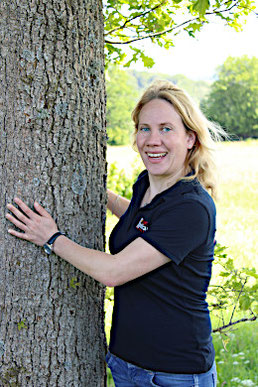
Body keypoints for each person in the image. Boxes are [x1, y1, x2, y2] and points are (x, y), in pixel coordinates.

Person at [6, 80, 224, 386]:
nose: (152, 140)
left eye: (166, 129)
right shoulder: (147, 186)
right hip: (126, 364)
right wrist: (100, 194)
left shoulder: (191, 207)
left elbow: (114, 272)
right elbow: (142, 221)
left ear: (190, 138)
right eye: (144, 128)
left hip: (173, 373)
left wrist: (52, 238)